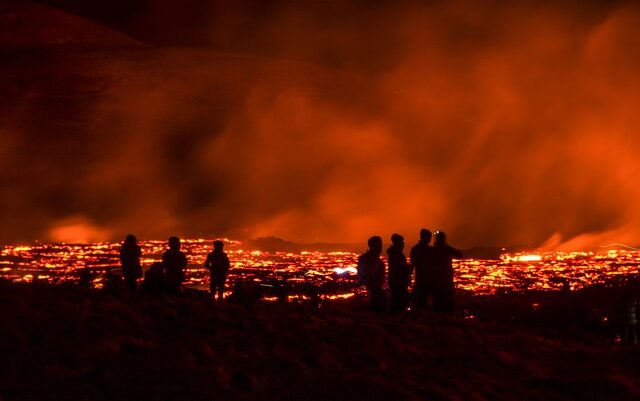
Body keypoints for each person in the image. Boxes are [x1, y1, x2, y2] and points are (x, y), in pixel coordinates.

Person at [432, 231, 462, 314]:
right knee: (447, 300)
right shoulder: (446, 249)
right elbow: (459, 254)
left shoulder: (432, 250)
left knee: (438, 301)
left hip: (437, 279)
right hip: (445, 279)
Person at [357, 236, 386, 312]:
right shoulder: (372, 259)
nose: (381, 246)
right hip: (373, 291)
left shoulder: (367, 258)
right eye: (379, 244)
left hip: (374, 290)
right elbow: (368, 275)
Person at [410, 228, 434, 311]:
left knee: (420, 302)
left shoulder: (415, 249)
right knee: (424, 303)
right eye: (429, 237)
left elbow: (412, 265)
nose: (430, 239)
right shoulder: (430, 250)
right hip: (424, 280)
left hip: (421, 280)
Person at [387, 233, 411, 312]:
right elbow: (400, 269)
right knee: (399, 302)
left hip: (395, 281)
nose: (403, 244)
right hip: (398, 282)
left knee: (396, 301)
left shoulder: (394, 253)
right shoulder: (397, 254)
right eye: (402, 242)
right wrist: (408, 267)